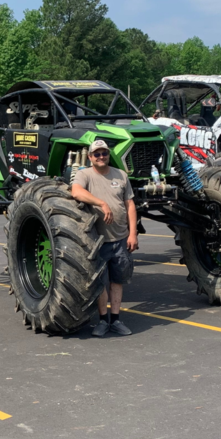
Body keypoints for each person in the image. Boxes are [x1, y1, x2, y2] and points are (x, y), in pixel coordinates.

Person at [71, 140, 139, 338]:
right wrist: (101, 203)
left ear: (108, 155)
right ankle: (102, 321)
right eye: (97, 154)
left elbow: (130, 205)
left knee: (117, 281)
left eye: (104, 153)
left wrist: (133, 233)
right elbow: (76, 192)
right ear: (90, 157)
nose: (101, 157)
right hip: (97, 241)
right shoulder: (85, 174)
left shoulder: (121, 175)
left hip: (120, 239)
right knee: (100, 283)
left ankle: (116, 319)